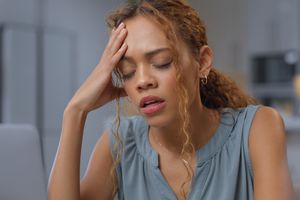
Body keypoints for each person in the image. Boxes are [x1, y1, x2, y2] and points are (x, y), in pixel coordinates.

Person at [48, 0, 295, 199]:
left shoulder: (257, 129)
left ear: (203, 62)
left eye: (161, 63)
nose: (142, 81)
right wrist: (75, 112)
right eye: (128, 72)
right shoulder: (120, 143)